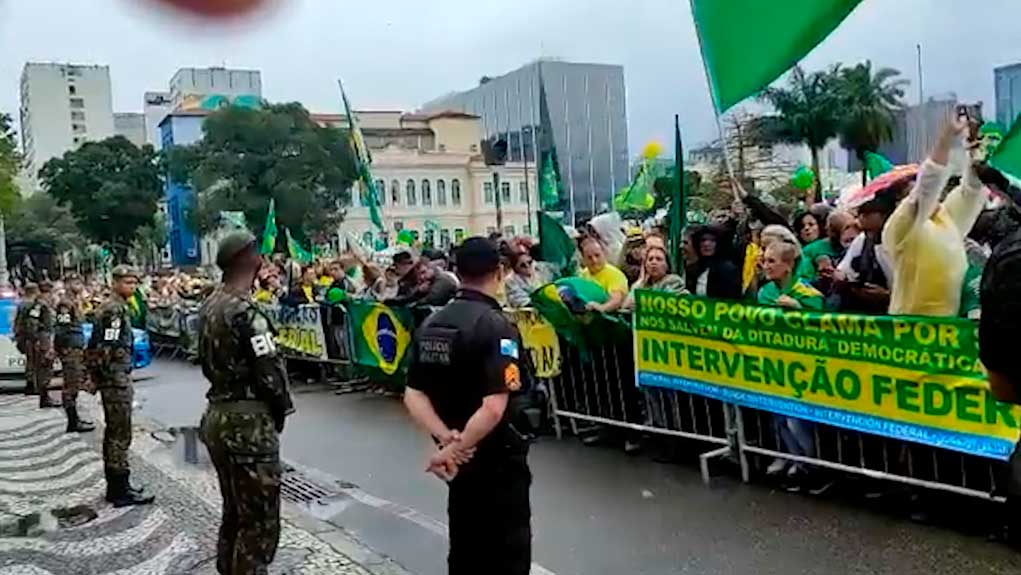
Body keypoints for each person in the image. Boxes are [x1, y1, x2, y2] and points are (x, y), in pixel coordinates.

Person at [404, 237, 531, 575]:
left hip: (460, 465)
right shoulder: (496, 326)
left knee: (465, 551)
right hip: (496, 459)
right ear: (500, 272)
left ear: (457, 271)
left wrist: (446, 440)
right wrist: (459, 446)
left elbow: (413, 393)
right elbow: (493, 406)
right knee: (506, 555)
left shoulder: (431, 324)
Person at [199, 231, 295, 575]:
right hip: (248, 425)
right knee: (259, 523)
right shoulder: (246, 311)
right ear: (249, 258)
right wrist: (281, 407)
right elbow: (269, 371)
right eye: (260, 253)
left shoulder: (211, 303)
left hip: (217, 416)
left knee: (235, 514)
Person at [883, 118, 986, 316]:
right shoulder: (899, 229)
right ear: (899, 203)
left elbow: (972, 190)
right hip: (911, 329)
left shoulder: (946, 219)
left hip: (950, 330)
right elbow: (925, 189)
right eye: (910, 192)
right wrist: (945, 141)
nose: (934, 195)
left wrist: (973, 147)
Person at [87, 265, 154, 507]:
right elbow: (105, 349)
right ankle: (119, 490)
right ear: (114, 282)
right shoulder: (114, 310)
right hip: (115, 379)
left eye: (135, 283)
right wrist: (106, 378)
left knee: (116, 432)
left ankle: (118, 485)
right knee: (119, 433)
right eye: (127, 282)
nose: (132, 287)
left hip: (115, 377)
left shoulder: (115, 307)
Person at [56, 276, 94, 432]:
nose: (79, 286)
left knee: (75, 383)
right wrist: (63, 348)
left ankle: (75, 418)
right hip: (70, 348)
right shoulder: (65, 304)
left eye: (80, 282)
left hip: (76, 347)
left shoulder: (74, 301)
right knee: (71, 385)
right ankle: (72, 422)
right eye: (76, 283)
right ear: (67, 285)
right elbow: (62, 328)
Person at [24, 281, 60, 409]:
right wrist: (36, 339)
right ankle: (44, 397)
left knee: (46, 367)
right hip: (42, 338)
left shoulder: (45, 304)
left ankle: (45, 396)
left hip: (46, 337)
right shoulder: (40, 305)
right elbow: (32, 322)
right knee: (44, 368)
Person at [623, 245, 687, 310]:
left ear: (667, 265)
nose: (654, 262)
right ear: (645, 265)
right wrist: (641, 281)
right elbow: (626, 307)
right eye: (650, 259)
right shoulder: (640, 285)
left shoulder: (674, 282)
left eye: (659, 259)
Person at [688, 225, 742, 299]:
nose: (706, 244)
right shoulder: (692, 269)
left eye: (712, 240)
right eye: (703, 240)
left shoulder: (729, 270)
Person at [578, 236, 629, 313]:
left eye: (597, 255)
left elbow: (616, 300)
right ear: (583, 259)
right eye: (589, 257)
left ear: (604, 254)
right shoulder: (583, 274)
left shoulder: (614, 274)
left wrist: (602, 308)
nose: (594, 260)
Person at [14, 283, 39, 396]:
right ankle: (32, 385)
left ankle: (30, 383)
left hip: (23, 336)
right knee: (34, 361)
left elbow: (17, 322)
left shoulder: (21, 304)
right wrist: (35, 336)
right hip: (31, 337)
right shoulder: (32, 305)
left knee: (30, 360)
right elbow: (31, 323)